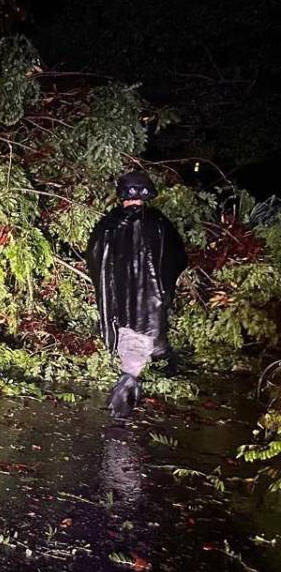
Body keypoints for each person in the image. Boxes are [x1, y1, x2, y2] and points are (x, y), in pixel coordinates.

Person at [85, 170, 188, 418]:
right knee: (141, 340)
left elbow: (94, 256)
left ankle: (131, 384)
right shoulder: (158, 223)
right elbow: (178, 257)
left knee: (131, 340)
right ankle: (126, 392)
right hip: (150, 303)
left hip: (118, 302)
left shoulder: (109, 224)